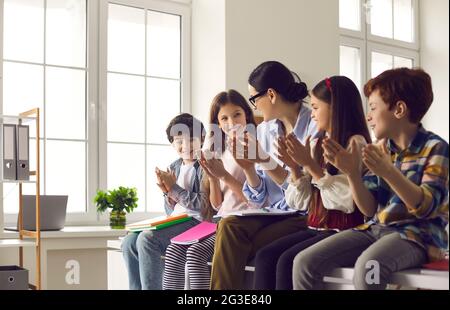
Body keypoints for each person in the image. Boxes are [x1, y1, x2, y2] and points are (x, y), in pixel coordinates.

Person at [293, 68, 449, 290]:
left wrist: (389, 172)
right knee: (304, 262)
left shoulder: (436, 148)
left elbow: (425, 207)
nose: (368, 116)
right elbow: (368, 209)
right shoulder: (380, 149)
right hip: (375, 229)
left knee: (370, 268)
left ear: (399, 110)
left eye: (374, 107)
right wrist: (352, 174)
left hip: (419, 236)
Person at [253, 76, 370, 290]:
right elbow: (303, 203)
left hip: (343, 231)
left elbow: (347, 201)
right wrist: (296, 169)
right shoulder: (317, 144)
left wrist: (311, 166)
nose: (312, 113)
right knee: (265, 256)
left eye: (316, 107)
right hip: (315, 226)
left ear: (336, 107)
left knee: (287, 261)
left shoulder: (355, 143)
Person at [210, 61, 317, 290]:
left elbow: (304, 195)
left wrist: (264, 160)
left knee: (238, 246)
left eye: (254, 99)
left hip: (303, 214)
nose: (255, 107)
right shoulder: (263, 130)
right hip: (272, 213)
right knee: (228, 226)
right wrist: (249, 168)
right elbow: (258, 199)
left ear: (270, 95)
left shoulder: (314, 126)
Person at [121, 113, 211, 290]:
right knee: (129, 242)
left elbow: (203, 205)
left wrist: (174, 189)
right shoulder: (174, 166)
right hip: (178, 220)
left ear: (202, 138)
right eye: (179, 141)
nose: (186, 146)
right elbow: (171, 210)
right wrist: (167, 195)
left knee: (147, 239)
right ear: (172, 143)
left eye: (191, 139)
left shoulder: (205, 165)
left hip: (198, 222)